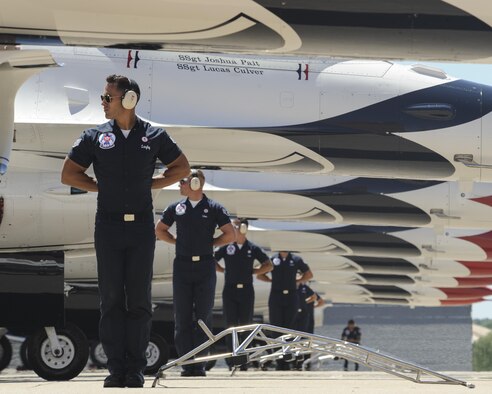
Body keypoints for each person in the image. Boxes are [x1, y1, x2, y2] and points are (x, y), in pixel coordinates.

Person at [61, 75, 190, 388]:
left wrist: (153, 184)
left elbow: (182, 169)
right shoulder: (95, 136)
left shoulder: (154, 135)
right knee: (111, 299)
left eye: (108, 97)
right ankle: (116, 369)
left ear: (128, 100)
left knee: (139, 300)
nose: (103, 103)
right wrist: (99, 186)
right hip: (108, 226)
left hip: (141, 228)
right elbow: (69, 174)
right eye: (104, 97)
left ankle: (135, 369)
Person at [155, 169, 235, 377]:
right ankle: (186, 363)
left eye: (184, 181)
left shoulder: (214, 208)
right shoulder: (176, 208)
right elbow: (160, 230)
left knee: (202, 316)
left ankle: (198, 364)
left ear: (197, 183)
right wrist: (176, 242)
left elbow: (230, 234)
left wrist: (211, 244)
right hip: (182, 266)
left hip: (205, 266)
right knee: (181, 316)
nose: (180, 185)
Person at [215, 218, 273, 370]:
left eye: (235, 226)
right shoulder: (228, 247)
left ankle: (244, 361)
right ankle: (232, 361)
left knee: (246, 326)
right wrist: (224, 270)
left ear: (243, 228)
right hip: (230, 290)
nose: (232, 229)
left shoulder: (252, 248)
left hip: (246, 290)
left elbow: (268, 265)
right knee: (230, 326)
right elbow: (213, 260)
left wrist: (254, 271)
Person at [257, 251, 313, 370]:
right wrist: (271, 281)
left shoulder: (296, 259)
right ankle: (279, 359)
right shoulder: (273, 259)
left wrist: (297, 281)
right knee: (276, 327)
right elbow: (260, 274)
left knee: (290, 327)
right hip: (276, 295)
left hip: (291, 295)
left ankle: (288, 357)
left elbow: (308, 274)